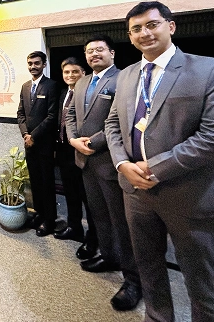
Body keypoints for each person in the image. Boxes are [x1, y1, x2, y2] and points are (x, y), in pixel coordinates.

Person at [105, 1, 214, 321]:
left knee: (201, 279)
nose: (144, 33)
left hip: (189, 192)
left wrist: (155, 168)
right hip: (136, 193)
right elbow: (112, 124)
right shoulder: (126, 75)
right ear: (130, 36)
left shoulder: (211, 69)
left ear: (171, 26)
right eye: (136, 29)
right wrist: (122, 164)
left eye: (152, 24)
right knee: (148, 267)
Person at [65, 36, 142, 312]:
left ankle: (133, 280)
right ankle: (109, 257)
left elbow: (121, 120)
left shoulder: (123, 79)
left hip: (110, 161)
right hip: (85, 161)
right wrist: (73, 139)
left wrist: (92, 142)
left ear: (112, 52)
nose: (94, 54)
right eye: (89, 51)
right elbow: (70, 115)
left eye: (99, 50)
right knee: (99, 216)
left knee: (122, 222)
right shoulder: (82, 82)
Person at [54, 58, 98, 260]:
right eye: (66, 72)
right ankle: (74, 227)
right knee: (70, 193)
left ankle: (93, 238)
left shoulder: (89, 93)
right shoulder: (63, 93)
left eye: (75, 72)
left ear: (83, 73)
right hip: (64, 151)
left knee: (89, 198)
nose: (70, 75)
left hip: (84, 151)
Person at [17, 51, 59, 236]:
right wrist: (25, 134)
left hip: (44, 145)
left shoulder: (52, 86)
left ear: (44, 64)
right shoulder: (25, 86)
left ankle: (49, 220)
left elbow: (52, 116)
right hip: (29, 144)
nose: (33, 66)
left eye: (36, 63)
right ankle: (39, 214)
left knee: (47, 182)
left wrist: (33, 136)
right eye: (30, 63)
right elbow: (20, 114)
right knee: (34, 181)